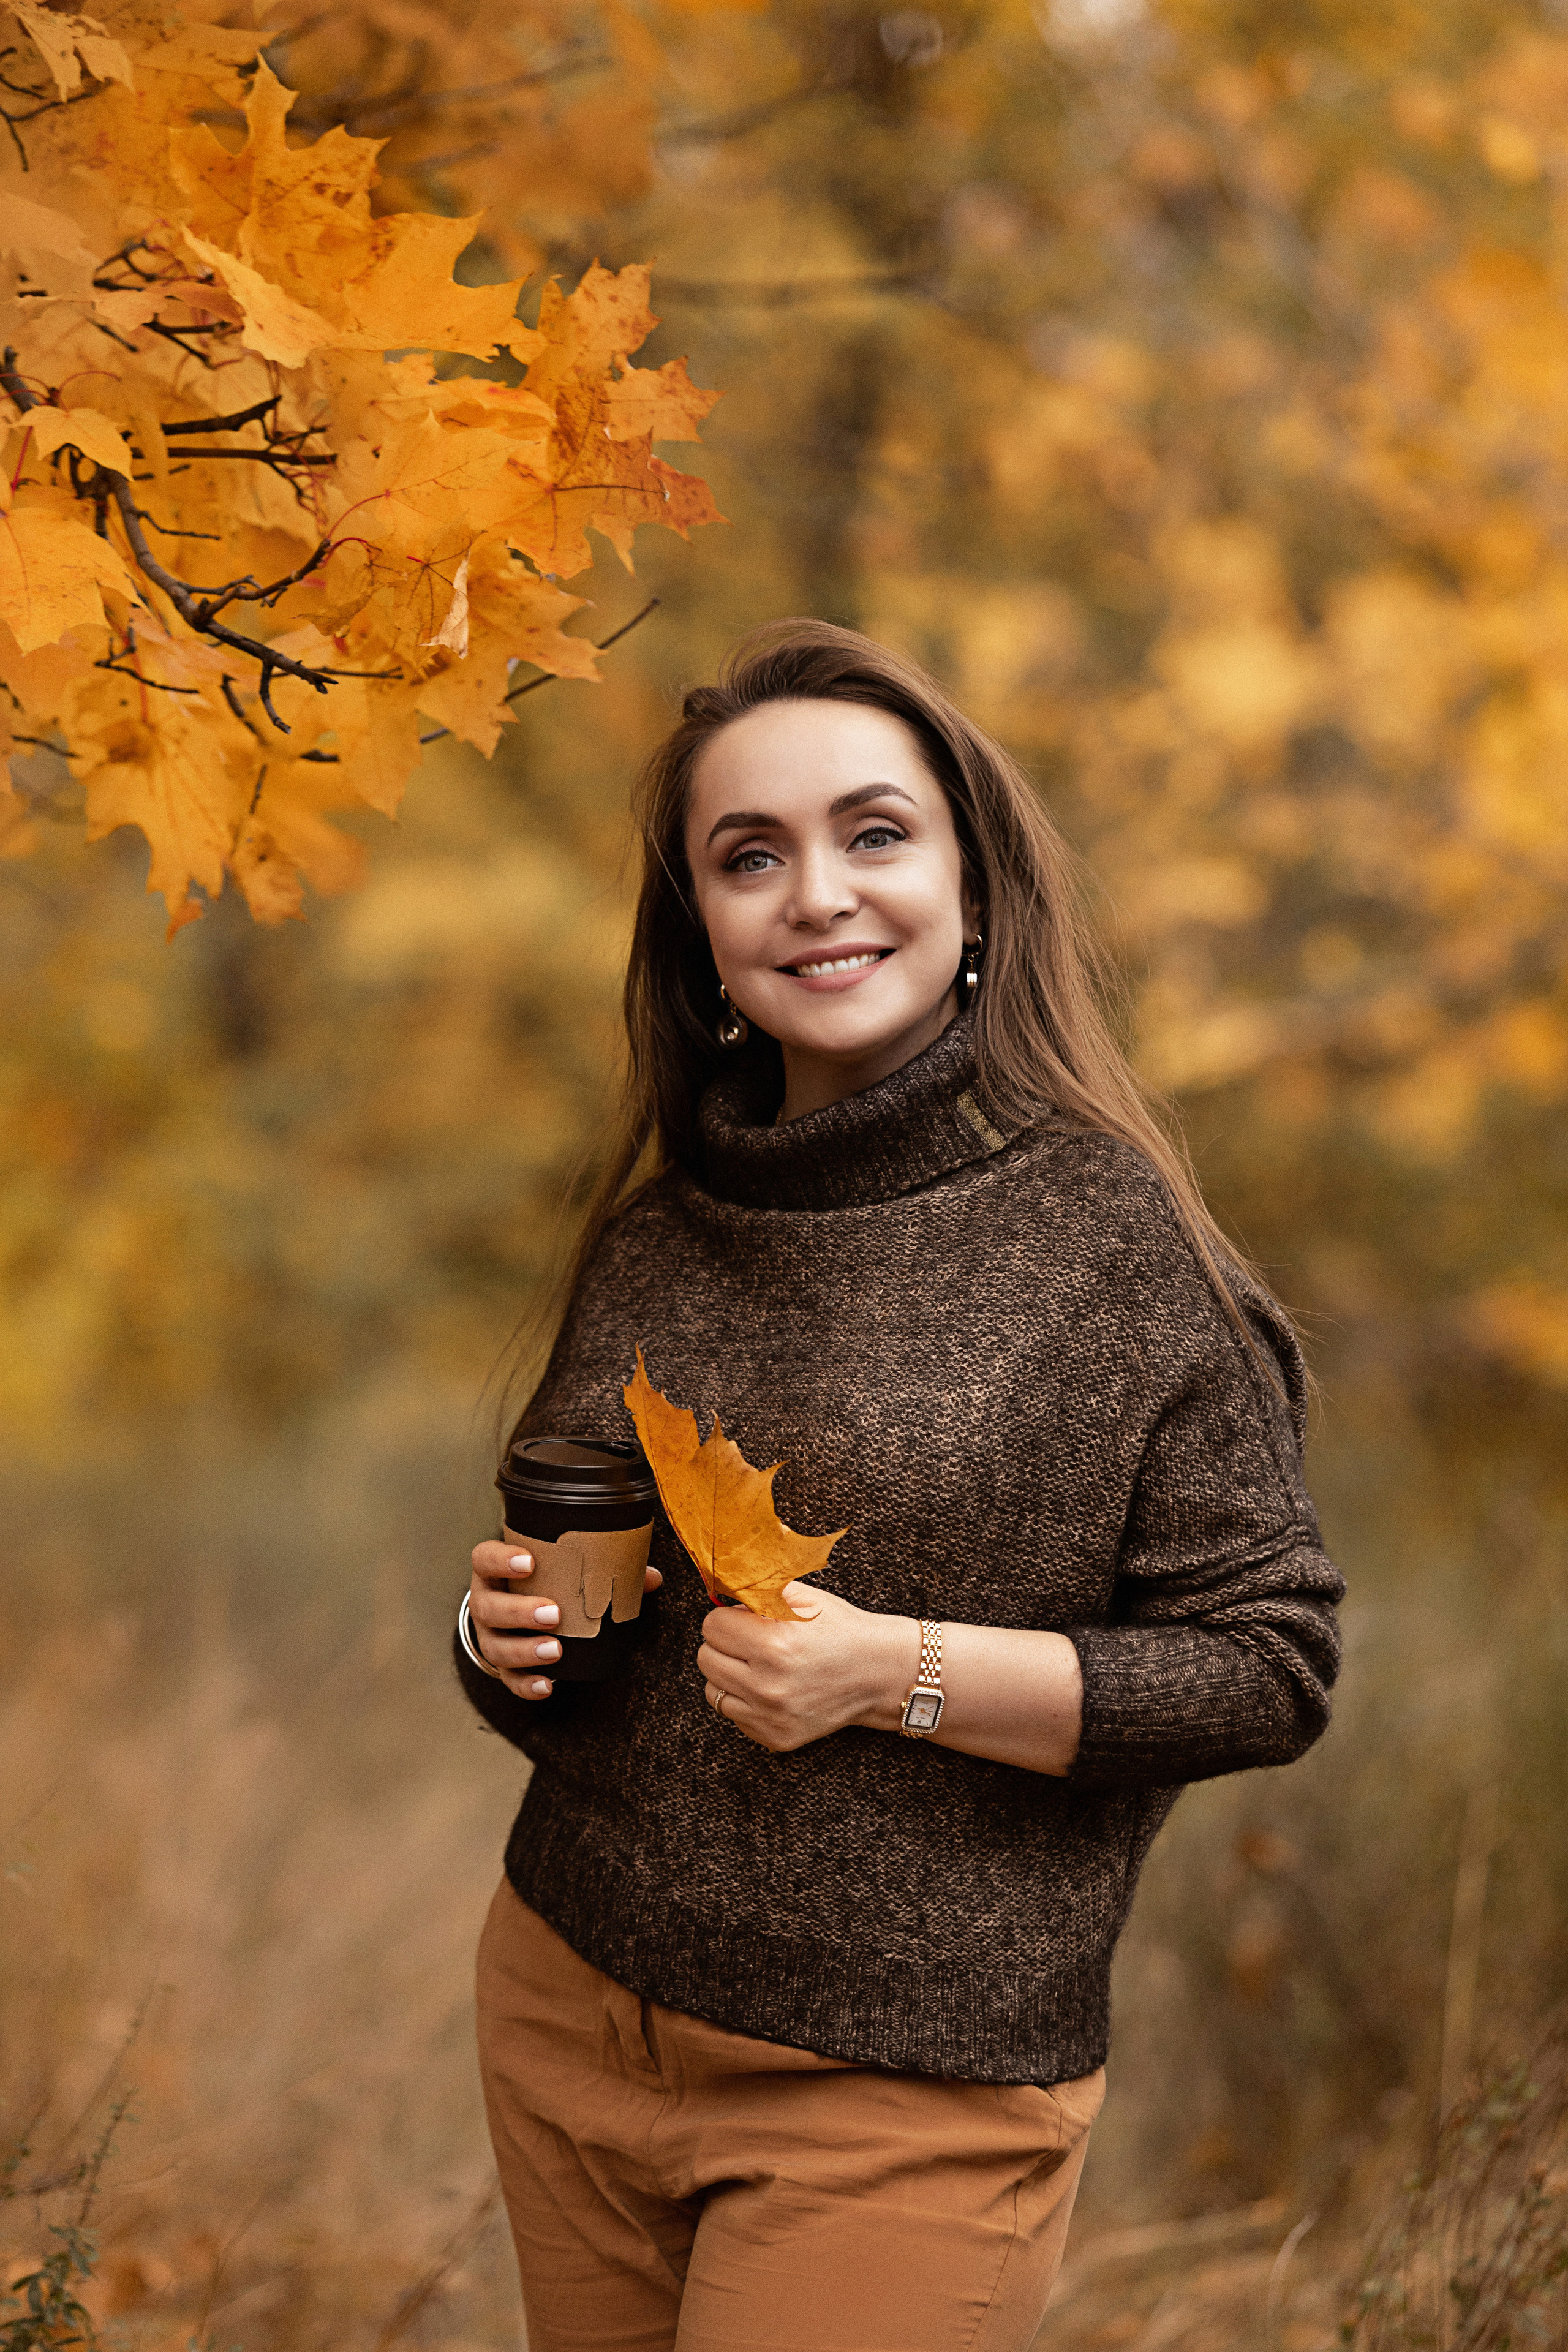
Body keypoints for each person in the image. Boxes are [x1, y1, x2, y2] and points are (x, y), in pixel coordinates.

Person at [454, 620, 1344, 2352]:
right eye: (750, 857)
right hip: (569, 2002)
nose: (814, 893)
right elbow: (599, 1650)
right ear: (704, 934)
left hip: (904, 2089)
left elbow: (1271, 1663)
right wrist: (502, 1641)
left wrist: (895, 1673)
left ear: (974, 890)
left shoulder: (1110, 1240)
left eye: (873, 834)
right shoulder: (661, 1230)